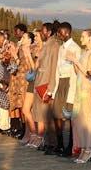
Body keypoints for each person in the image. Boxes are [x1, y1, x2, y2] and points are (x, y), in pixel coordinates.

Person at [52, 22, 81, 156]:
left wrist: (73, 90)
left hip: (70, 82)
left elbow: (77, 71)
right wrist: (55, 88)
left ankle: (70, 146)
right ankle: (60, 144)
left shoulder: (75, 48)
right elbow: (58, 68)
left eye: (60, 32)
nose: (58, 35)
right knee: (57, 114)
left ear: (67, 32)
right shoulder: (61, 47)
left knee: (68, 116)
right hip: (61, 81)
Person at [71, 29, 91, 163]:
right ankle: (83, 147)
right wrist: (74, 62)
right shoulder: (84, 52)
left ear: (90, 38)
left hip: (86, 87)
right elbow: (78, 72)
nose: (81, 38)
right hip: (79, 85)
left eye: (83, 36)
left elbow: (88, 73)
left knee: (87, 117)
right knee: (78, 118)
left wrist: (76, 61)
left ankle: (88, 149)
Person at [33, 22, 60, 153]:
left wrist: (51, 87)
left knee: (48, 116)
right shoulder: (46, 45)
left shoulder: (54, 45)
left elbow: (54, 66)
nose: (41, 33)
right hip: (40, 82)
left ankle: (53, 144)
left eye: (43, 31)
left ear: (48, 32)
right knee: (43, 116)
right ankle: (47, 141)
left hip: (47, 84)